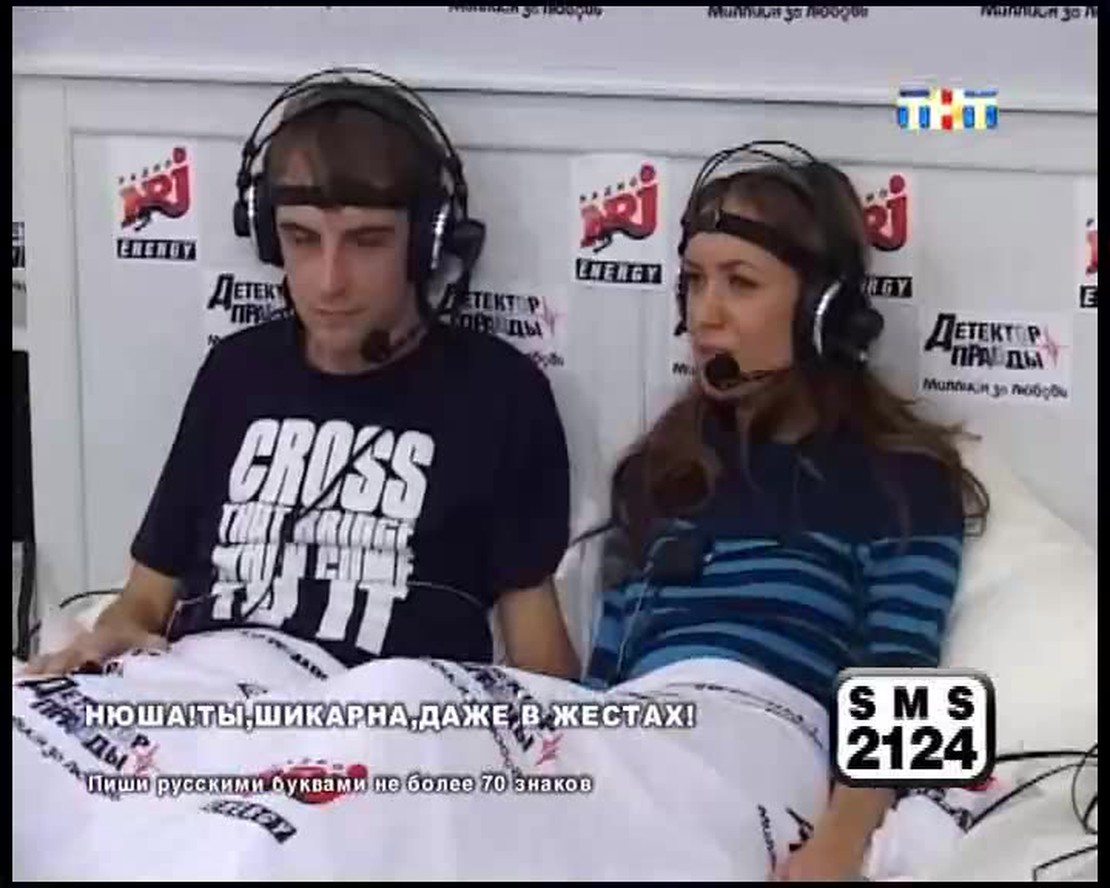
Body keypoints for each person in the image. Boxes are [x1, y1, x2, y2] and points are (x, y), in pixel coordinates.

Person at [25, 68, 580, 681]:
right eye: (301, 238)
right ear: (269, 239)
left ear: (425, 244)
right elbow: (144, 602)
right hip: (201, 698)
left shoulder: (498, 393)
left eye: (367, 241)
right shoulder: (235, 372)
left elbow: (543, 674)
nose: (329, 280)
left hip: (382, 717)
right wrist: (105, 644)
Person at [581, 142, 990, 880]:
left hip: (763, 748)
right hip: (630, 743)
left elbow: (902, 676)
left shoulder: (900, 477)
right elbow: (602, 677)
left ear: (822, 312)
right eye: (694, 282)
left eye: (740, 283)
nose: (705, 315)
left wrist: (839, 845)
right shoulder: (657, 471)